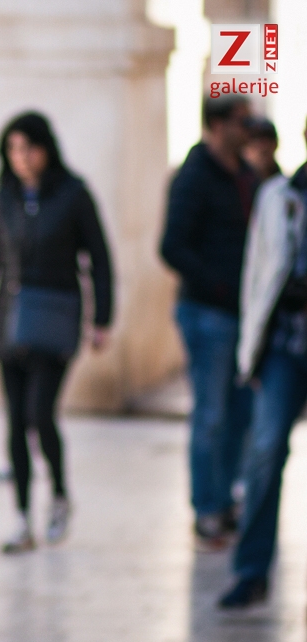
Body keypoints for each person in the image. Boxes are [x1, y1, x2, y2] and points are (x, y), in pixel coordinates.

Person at [0, 111, 113, 554]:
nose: (21, 157)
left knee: (40, 414)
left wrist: (102, 320)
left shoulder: (74, 194)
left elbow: (99, 259)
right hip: (9, 325)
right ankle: (22, 517)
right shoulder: (2, 200)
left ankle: (60, 494)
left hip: (55, 320)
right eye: (13, 149)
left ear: (46, 149)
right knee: (14, 422)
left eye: (28, 147)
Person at [160, 96, 256, 550]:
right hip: (206, 313)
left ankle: (226, 498)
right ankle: (207, 509)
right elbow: (171, 246)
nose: (248, 128)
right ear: (217, 125)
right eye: (241, 120)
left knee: (240, 413)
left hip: (244, 316)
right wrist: (217, 285)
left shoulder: (246, 175)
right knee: (211, 414)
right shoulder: (194, 177)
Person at [221, 117, 307, 608]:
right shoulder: (279, 197)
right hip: (284, 345)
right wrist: (248, 347)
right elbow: (256, 271)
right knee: (266, 449)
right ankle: (251, 570)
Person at [243, 117, 281, 183]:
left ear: (276, 143)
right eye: (255, 140)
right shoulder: (237, 183)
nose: (263, 147)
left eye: (268, 140)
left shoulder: (286, 184)